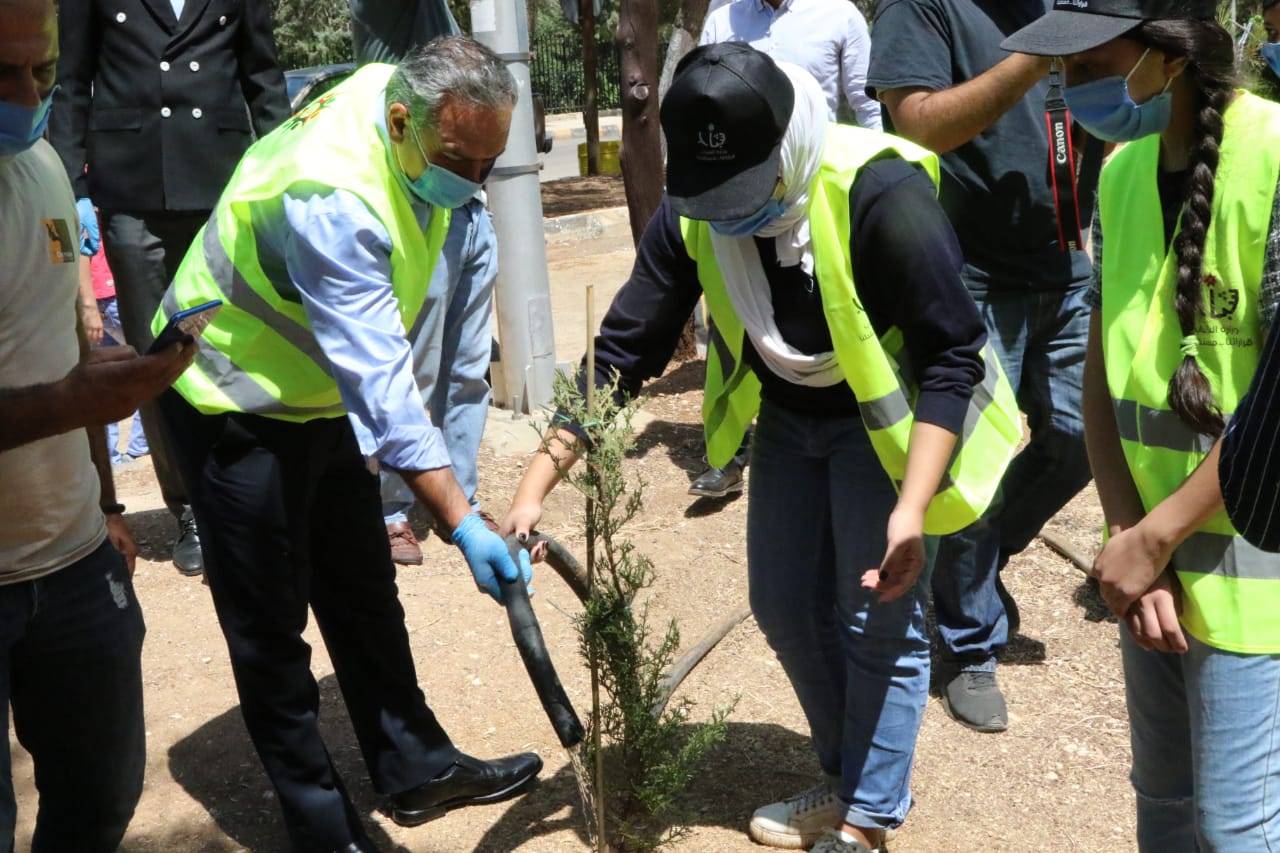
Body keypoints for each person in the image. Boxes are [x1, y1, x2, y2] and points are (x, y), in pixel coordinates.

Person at [503, 43, 1021, 853]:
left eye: (746, 191)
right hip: (787, 416)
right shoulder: (693, 208)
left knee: (874, 612)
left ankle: (865, 816)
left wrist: (912, 509)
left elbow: (953, 351)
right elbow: (621, 353)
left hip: (882, 424)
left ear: (788, 146)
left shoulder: (878, 192)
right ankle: (850, 771)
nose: (729, 215)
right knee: (781, 603)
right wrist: (536, 485)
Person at [152, 37, 542, 851]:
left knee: (363, 585)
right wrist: (464, 519)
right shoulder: (334, 197)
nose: (472, 186)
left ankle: (415, 767)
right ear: (403, 121)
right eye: (459, 161)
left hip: (313, 391)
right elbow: (389, 396)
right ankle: (325, 828)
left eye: (489, 164)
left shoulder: (390, 99)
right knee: (270, 627)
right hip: (229, 394)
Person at [1007, 2, 1280, 847]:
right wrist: (1132, 537)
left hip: (1255, 578)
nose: (1072, 91)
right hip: (1150, 563)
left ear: (1167, 57)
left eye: (1089, 68)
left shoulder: (1273, 154)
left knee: (1239, 828)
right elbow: (1100, 374)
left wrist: (1154, 537)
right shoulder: (1121, 174)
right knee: (1163, 808)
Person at [867, 0, 1098, 733]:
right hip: (964, 274)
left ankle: (981, 572)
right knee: (979, 469)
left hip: (1063, 266)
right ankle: (969, 645)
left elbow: (1095, 113)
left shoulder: (1060, 3)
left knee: (1082, 438)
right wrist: (1035, 55)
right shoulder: (925, 8)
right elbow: (920, 121)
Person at [0, 0, 194, 847]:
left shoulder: (41, 164)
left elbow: (69, 336)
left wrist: (109, 503)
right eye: (1, 74)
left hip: (75, 558)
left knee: (101, 796)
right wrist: (74, 402)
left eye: (39, 71)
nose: (26, 93)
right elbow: (64, 392)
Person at [50, 0, 292, 576]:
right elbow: (72, 80)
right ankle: (189, 508)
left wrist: (287, 171)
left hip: (222, 185)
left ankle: (247, 489)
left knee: (232, 341)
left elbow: (263, 78)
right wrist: (71, 185)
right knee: (153, 353)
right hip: (131, 189)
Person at [687, 0, 883, 501]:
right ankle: (728, 453)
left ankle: (857, 432)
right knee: (734, 324)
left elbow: (866, 109)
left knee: (826, 324)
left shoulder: (839, 16)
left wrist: (872, 190)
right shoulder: (722, 21)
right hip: (741, 199)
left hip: (814, 198)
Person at [349, 0, 497, 567]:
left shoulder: (436, 17)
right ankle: (390, 509)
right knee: (415, 364)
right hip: (422, 198)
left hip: (471, 208)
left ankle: (459, 496)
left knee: (468, 367)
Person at [80, 220, 151, 466]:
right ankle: (141, 444)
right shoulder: (93, 199)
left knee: (104, 379)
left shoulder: (75, 195)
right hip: (110, 294)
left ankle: (111, 453)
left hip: (92, 300)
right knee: (147, 367)